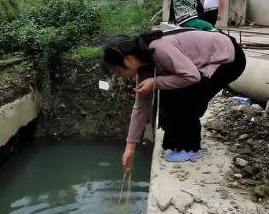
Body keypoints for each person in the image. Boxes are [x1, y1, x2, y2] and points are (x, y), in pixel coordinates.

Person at [102, 28, 246, 172]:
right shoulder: (144, 66)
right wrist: (130, 147)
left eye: (118, 71)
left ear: (127, 59)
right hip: (205, 61)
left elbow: (192, 76)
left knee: (187, 95)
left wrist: (156, 82)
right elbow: (141, 105)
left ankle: (191, 148)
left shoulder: (158, 49)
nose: (120, 76)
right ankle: (177, 143)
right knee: (170, 91)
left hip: (229, 58)